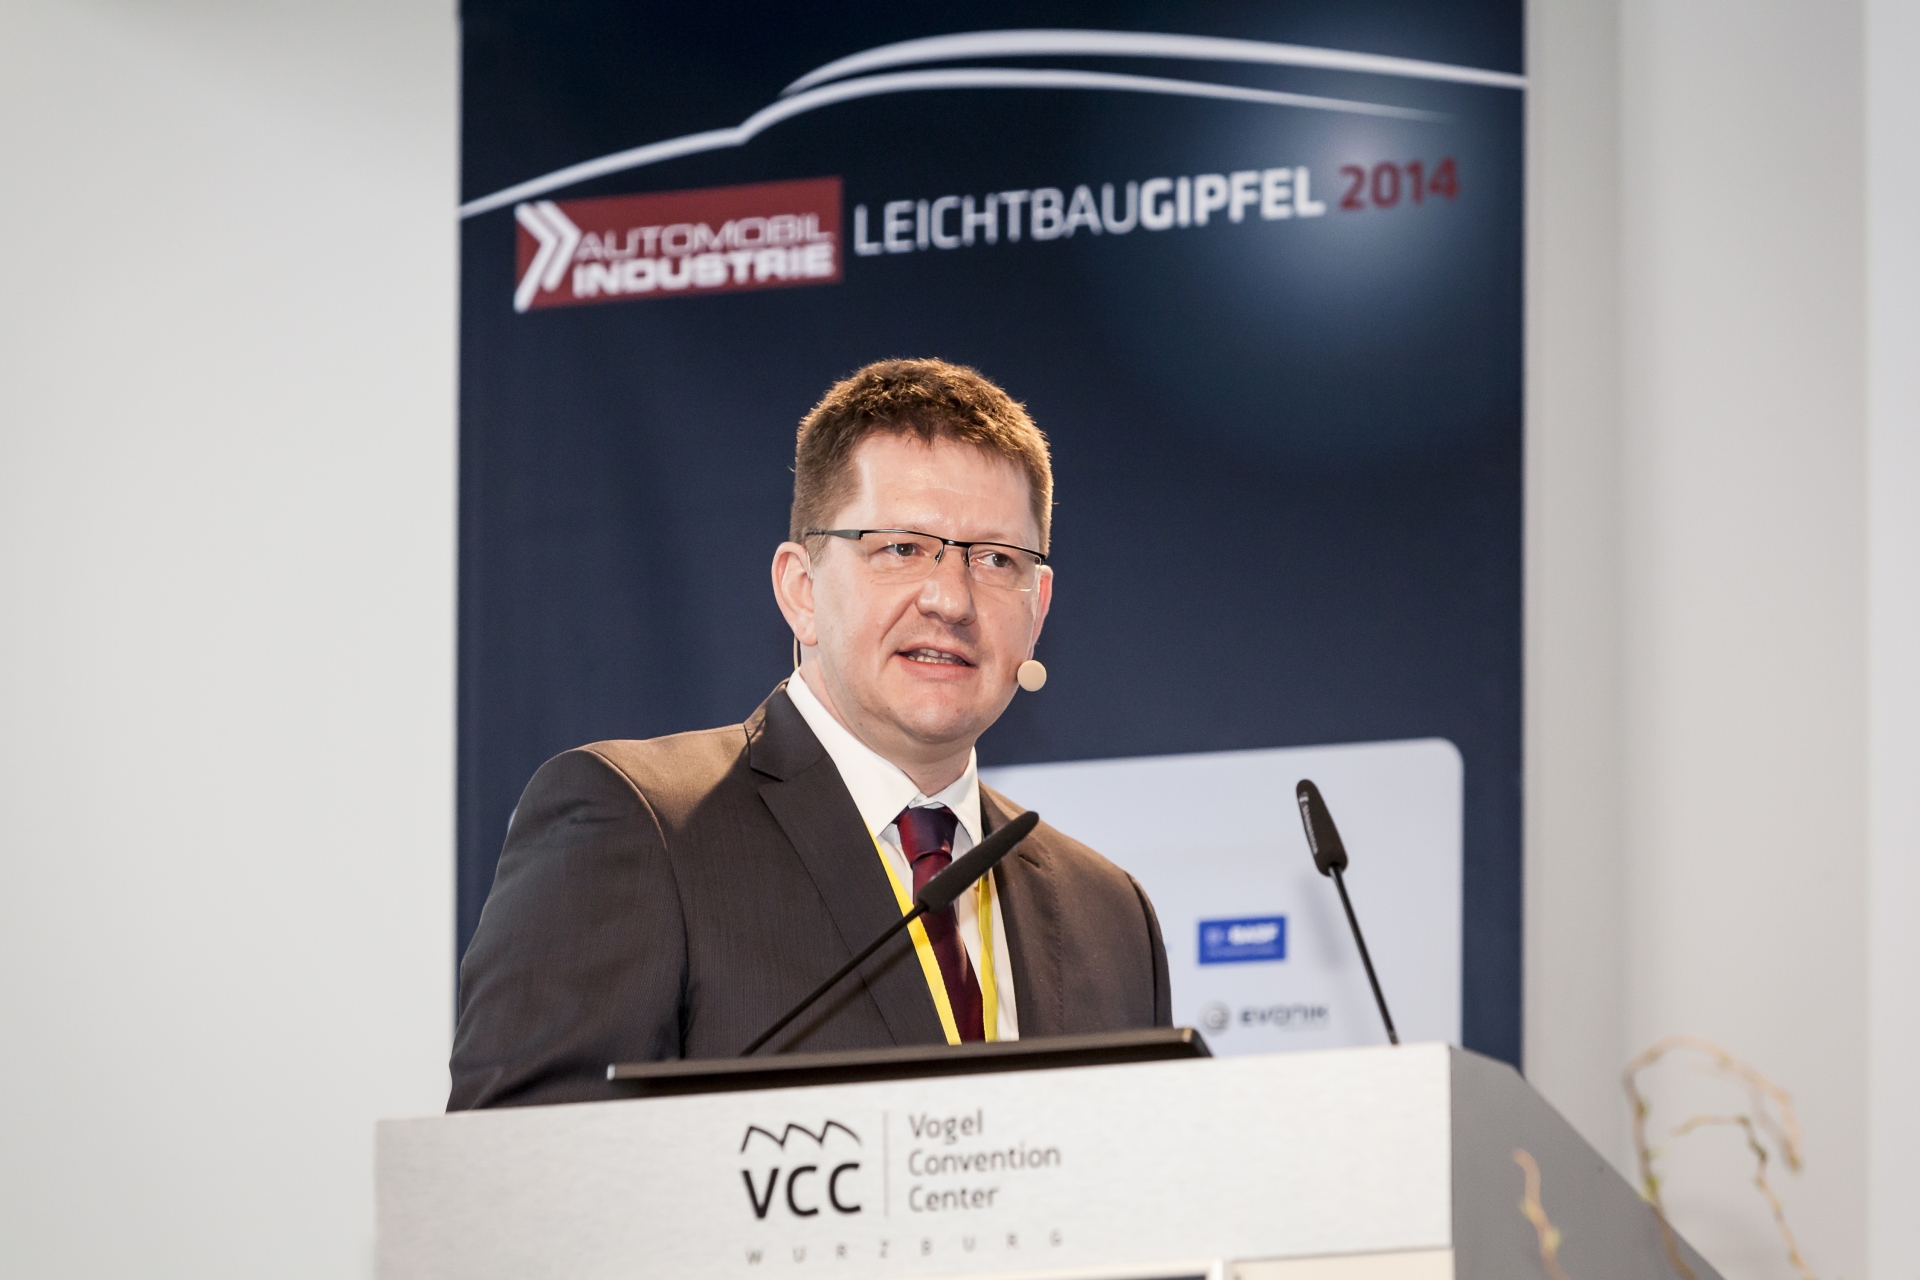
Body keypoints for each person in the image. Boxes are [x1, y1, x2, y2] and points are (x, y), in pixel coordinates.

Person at [448, 358, 1170, 1109]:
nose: (951, 600)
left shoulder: (1111, 915)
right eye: (902, 548)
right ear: (801, 590)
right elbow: (515, 1169)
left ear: (1038, 606)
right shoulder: (640, 828)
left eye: (995, 559)